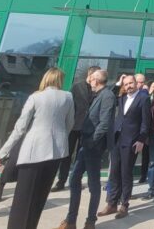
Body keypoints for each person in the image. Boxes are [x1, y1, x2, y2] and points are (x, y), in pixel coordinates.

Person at [0, 67, 74, 229]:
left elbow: (20, 128)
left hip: (34, 150)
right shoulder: (68, 97)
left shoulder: (36, 97)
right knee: (39, 197)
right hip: (57, 151)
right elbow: (69, 124)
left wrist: (3, 152)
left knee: (23, 198)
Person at [57, 69, 115, 229]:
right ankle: (71, 220)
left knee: (93, 184)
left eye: (92, 78)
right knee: (74, 178)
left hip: (93, 146)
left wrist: (91, 141)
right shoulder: (97, 95)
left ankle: (90, 221)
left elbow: (104, 123)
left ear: (96, 80)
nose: (89, 81)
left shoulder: (107, 96)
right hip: (87, 144)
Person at [99, 74, 150, 219]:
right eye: (126, 84)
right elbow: (110, 95)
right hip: (117, 139)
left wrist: (141, 140)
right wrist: (118, 83)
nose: (128, 86)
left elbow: (146, 121)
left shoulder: (143, 98)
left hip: (132, 140)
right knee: (114, 172)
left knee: (126, 173)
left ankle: (124, 204)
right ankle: (111, 204)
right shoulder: (121, 97)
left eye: (131, 83)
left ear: (136, 83)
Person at [54, 65, 99, 192]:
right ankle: (61, 181)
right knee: (66, 155)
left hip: (88, 128)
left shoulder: (97, 89)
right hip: (73, 126)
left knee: (81, 155)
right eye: (95, 76)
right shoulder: (77, 87)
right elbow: (68, 105)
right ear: (90, 75)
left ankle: (75, 180)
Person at [135, 74, 152, 184]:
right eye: (138, 82)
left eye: (142, 82)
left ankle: (143, 175)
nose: (140, 84)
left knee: (146, 155)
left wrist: (147, 92)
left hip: (144, 131)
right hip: (131, 132)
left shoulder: (145, 95)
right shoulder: (130, 93)